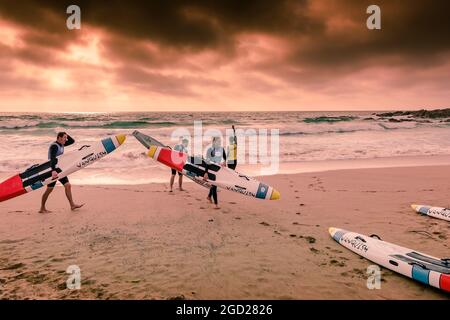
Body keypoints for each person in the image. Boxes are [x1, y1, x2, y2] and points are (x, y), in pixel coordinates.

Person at [39, 132, 84, 213]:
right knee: (49, 189)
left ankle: (72, 205)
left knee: (67, 185)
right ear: (59, 138)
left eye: (66, 138)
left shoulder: (61, 144)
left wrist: (66, 134)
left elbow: (72, 141)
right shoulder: (54, 146)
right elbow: (52, 159)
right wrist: (53, 170)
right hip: (53, 170)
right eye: (64, 138)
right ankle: (42, 208)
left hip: (59, 169)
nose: (66, 139)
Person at [204, 136, 226, 209]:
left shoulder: (221, 149)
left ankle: (209, 196)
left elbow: (225, 157)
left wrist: (224, 162)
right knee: (214, 186)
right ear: (214, 142)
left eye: (220, 142)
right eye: (218, 142)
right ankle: (216, 204)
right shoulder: (210, 150)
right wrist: (206, 172)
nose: (219, 143)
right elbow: (207, 162)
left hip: (217, 169)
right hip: (210, 169)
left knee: (214, 185)